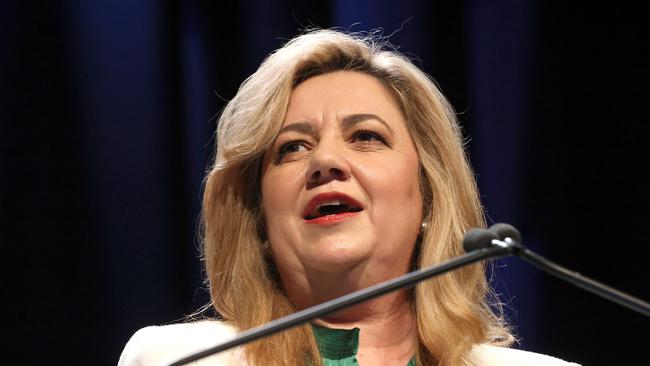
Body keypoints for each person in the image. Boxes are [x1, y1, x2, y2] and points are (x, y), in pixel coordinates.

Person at [118, 29, 579, 366]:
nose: (325, 161)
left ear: (429, 199)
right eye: (292, 148)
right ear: (258, 221)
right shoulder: (177, 360)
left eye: (365, 136)